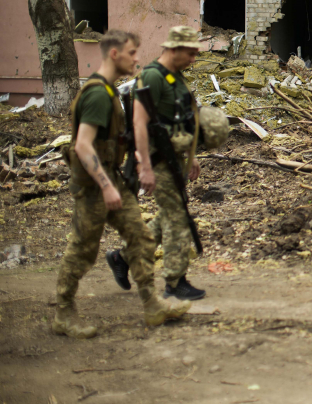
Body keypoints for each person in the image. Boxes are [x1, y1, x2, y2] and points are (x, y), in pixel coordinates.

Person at [54, 30, 190, 339]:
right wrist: (105, 186)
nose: (137, 58)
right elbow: (83, 146)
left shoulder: (110, 91)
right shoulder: (98, 95)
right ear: (115, 54)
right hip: (93, 187)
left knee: (140, 237)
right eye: (132, 53)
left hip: (113, 179)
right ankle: (63, 312)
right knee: (83, 249)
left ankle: (152, 304)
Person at [106, 26, 206, 300]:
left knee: (169, 215)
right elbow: (139, 123)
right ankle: (175, 281)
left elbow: (182, 121)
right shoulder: (151, 76)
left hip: (174, 159)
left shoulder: (177, 78)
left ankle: (123, 258)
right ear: (173, 49)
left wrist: (191, 157)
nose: (193, 59)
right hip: (156, 160)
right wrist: (145, 167)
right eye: (190, 53)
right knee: (176, 218)